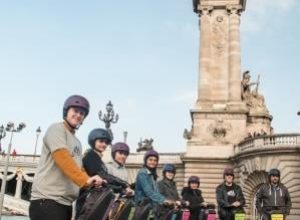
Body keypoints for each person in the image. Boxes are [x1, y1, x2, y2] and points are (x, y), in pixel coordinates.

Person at [30, 95, 104, 220]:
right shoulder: (56, 129)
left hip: (66, 203)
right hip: (47, 200)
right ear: (66, 111)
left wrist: (91, 180)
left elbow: (78, 168)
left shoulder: (77, 142)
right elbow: (62, 158)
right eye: (75, 111)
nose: (78, 115)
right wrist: (84, 180)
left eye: (82, 113)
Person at [76, 128, 133, 214]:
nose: (104, 144)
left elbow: (105, 182)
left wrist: (121, 189)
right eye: (101, 141)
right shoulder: (91, 155)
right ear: (93, 141)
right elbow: (103, 176)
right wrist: (123, 184)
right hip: (87, 200)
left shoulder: (98, 158)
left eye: (106, 142)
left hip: (93, 199)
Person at [134, 150, 174, 219]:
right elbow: (149, 192)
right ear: (146, 160)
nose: (153, 162)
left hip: (151, 209)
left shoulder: (152, 175)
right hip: (142, 208)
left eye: (155, 160)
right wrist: (163, 200)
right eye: (150, 160)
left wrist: (165, 201)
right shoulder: (142, 173)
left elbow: (156, 192)